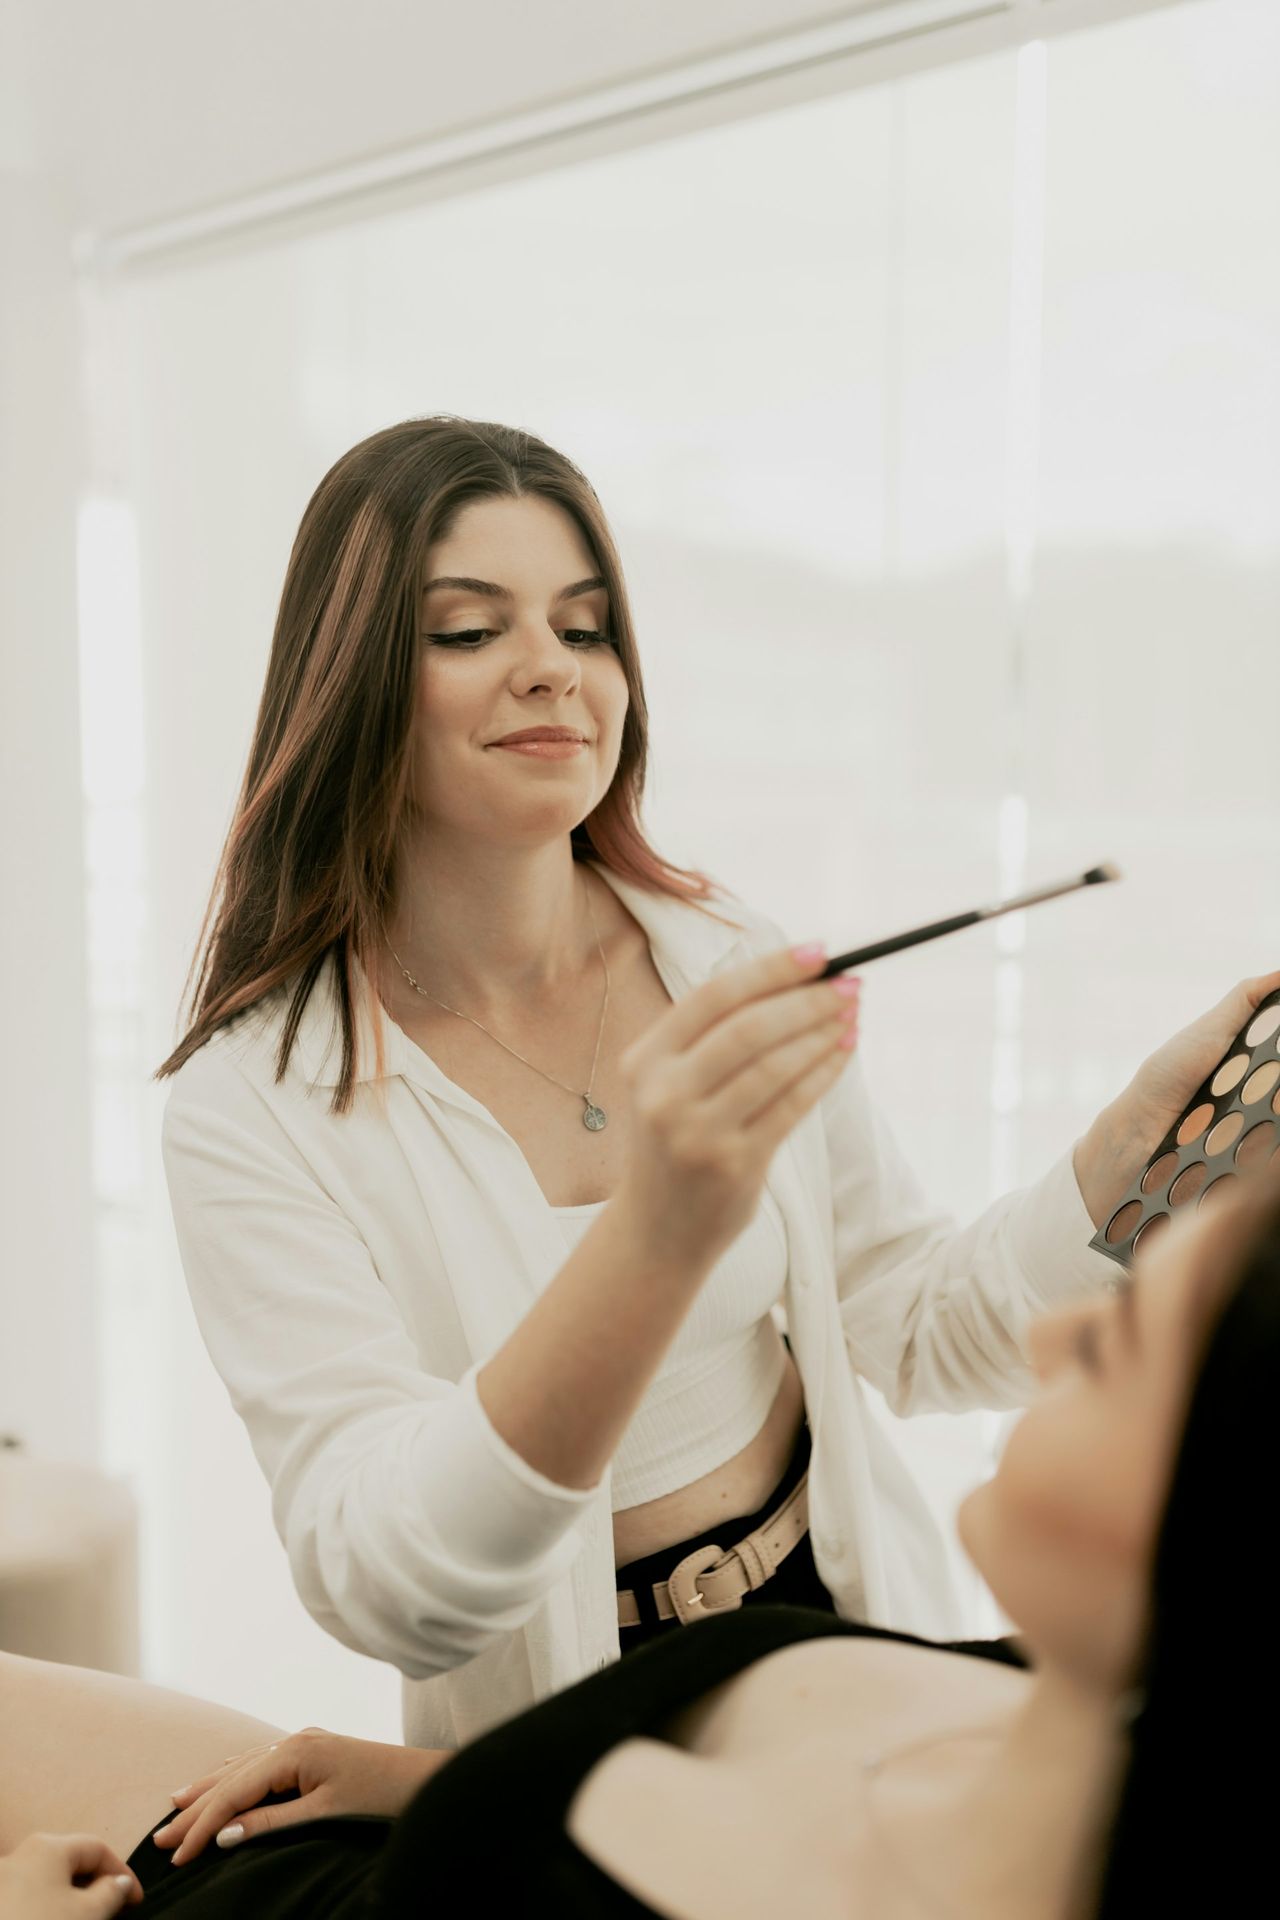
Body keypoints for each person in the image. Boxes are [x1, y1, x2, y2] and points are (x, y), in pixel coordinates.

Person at [155, 414, 1280, 1749]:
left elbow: (914, 1328)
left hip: (845, 1644)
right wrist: (657, 1231)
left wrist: (1138, 1155)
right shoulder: (253, 1106)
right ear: (345, 681)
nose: (550, 672)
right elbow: (389, 1583)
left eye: (585, 628)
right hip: (566, 1745)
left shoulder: (719, 954)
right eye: (468, 630)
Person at [3, 1161, 1276, 1918]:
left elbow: (916, 1311)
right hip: (313, 1856)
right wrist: (436, 1787)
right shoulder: (1013, 1686)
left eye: (1116, 1346)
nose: (1056, 1339)